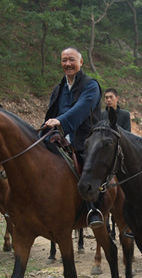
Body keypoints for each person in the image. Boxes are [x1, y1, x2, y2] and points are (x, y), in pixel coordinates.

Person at [42, 47, 103, 228]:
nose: (67, 64)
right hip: (58, 137)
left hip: (85, 137)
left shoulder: (91, 85)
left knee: (87, 164)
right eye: (64, 60)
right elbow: (50, 113)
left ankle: (93, 209)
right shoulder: (58, 88)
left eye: (71, 60)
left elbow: (82, 109)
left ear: (81, 62)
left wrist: (60, 122)